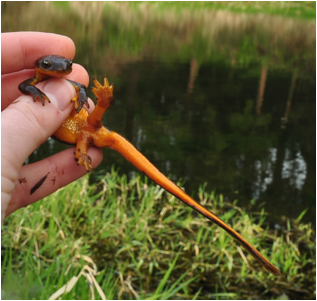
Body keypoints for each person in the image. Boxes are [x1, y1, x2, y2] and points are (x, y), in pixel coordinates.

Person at [1, 32, 103, 223]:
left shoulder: (67, 83)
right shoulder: (35, 81)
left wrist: (81, 96)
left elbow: (81, 87)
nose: (59, 71)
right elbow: (24, 86)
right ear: (38, 67)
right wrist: (34, 91)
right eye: (47, 66)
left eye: (67, 67)